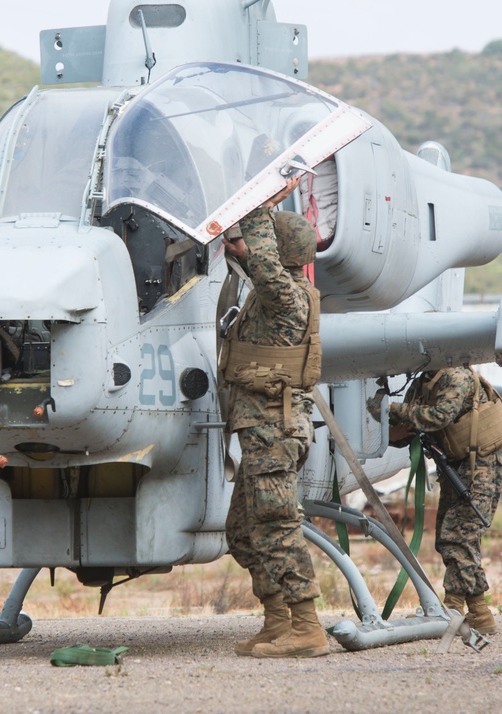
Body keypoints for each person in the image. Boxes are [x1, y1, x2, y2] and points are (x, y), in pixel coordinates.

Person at [219, 174, 329, 659]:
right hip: (264, 428)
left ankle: (307, 628)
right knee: (244, 533)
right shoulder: (277, 297)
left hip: (272, 428)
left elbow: (261, 260)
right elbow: (254, 262)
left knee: (277, 525)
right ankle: (277, 620)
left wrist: (257, 206)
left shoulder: (285, 298)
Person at [380, 365, 502, 635]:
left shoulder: (456, 375)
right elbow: (411, 426)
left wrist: (388, 408)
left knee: (457, 537)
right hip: (456, 467)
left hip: (481, 467)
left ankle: (452, 608)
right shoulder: (424, 381)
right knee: (452, 538)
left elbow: (438, 417)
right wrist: (388, 432)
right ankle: (479, 613)